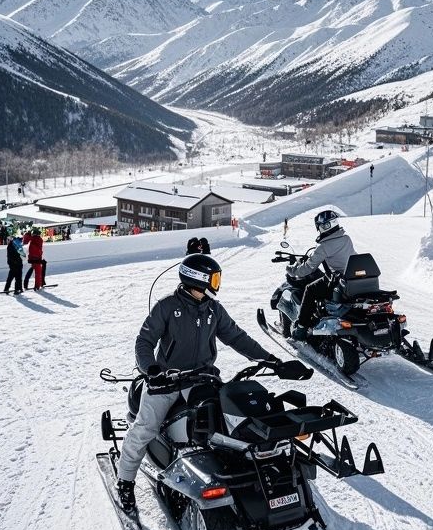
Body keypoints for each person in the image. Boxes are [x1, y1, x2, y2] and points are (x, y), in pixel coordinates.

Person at [115, 252, 280, 511]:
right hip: (166, 381)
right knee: (145, 428)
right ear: (198, 279)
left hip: (203, 378)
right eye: (214, 278)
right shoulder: (167, 306)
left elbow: (237, 337)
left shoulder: (214, 309)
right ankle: (124, 482)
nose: (217, 282)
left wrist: (269, 359)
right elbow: (144, 341)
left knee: (227, 421)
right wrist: (152, 371)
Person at [286, 210, 356, 341]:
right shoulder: (346, 238)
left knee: (310, 289)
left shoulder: (324, 246)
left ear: (322, 227)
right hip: (353, 279)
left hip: (338, 281)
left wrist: (292, 270)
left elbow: (307, 268)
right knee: (321, 281)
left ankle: (301, 329)